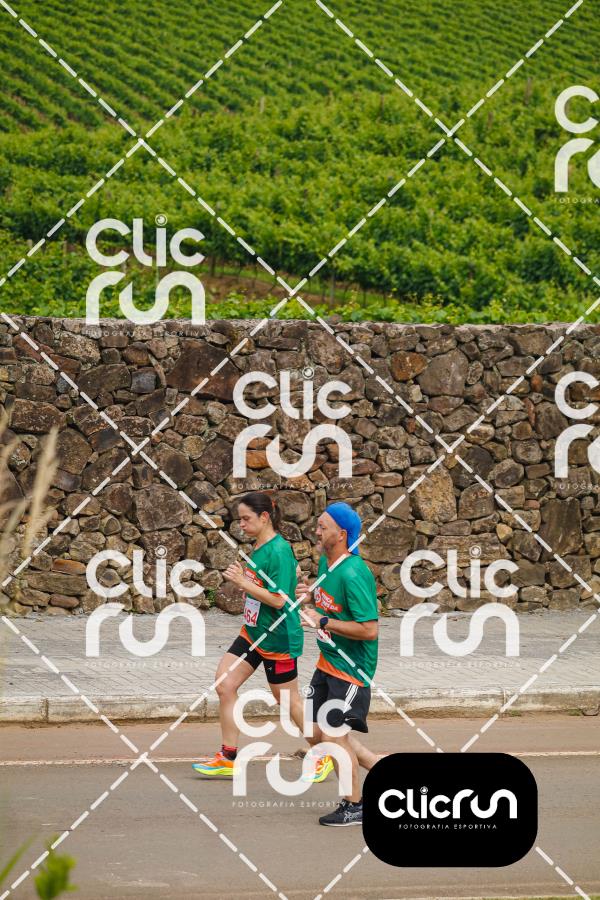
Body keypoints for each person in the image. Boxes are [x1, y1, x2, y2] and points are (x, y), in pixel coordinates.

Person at [192, 491, 332, 782]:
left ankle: (326, 754)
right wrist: (248, 583)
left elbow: (279, 600)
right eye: (240, 519)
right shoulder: (260, 546)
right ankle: (228, 757)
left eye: (246, 519)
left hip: (278, 638)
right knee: (224, 684)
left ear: (265, 517)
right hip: (253, 632)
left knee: (288, 701)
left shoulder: (278, 551)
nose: (241, 525)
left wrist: (243, 582)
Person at [297, 501, 380, 826]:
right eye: (317, 525)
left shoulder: (353, 573)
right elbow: (329, 603)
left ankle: (354, 805)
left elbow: (369, 629)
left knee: (333, 737)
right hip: (327, 663)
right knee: (316, 731)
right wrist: (311, 597)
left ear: (342, 534)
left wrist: (323, 622)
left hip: (351, 670)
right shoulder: (326, 563)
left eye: (323, 527)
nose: (316, 531)